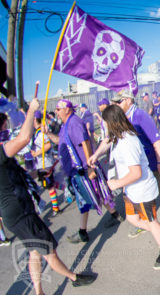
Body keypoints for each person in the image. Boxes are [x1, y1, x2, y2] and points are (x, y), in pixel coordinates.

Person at [0, 98, 96, 294]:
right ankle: (74, 277)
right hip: (21, 214)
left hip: (16, 214)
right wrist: (31, 111)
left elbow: (14, 176)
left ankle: (38, 291)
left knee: (34, 251)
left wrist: (38, 174)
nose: (5, 130)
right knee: (48, 250)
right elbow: (24, 139)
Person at [92, 90, 160, 231]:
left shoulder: (140, 115)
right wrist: (96, 154)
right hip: (132, 167)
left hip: (149, 163)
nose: (116, 105)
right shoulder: (123, 119)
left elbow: (156, 140)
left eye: (119, 102)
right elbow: (109, 139)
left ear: (128, 100)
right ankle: (145, 223)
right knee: (135, 197)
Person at [98, 104, 160, 269]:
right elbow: (107, 143)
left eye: (104, 122)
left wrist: (116, 184)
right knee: (133, 219)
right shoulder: (118, 137)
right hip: (131, 190)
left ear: (111, 122)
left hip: (142, 190)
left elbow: (136, 173)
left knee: (151, 221)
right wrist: (95, 155)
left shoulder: (127, 141)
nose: (103, 125)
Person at [46, 99, 123, 243]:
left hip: (83, 169)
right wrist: (48, 134)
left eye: (58, 109)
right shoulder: (66, 124)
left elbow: (85, 142)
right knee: (93, 195)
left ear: (67, 109)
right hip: (76, 170)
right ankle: (114, 215)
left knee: (91, 196)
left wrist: (89, 167)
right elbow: (60, 141)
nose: (56, 111)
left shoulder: (74, 122)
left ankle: (83, 231)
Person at [31, 111, 60, 217]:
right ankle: (66, 188)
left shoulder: (41, 132)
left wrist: (36, 153)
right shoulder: (36, 132)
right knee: (51, 184)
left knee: (49, 185)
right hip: (40, 163)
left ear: (35, 119)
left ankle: (56, 208)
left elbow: (47, 145)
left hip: (45, 163)